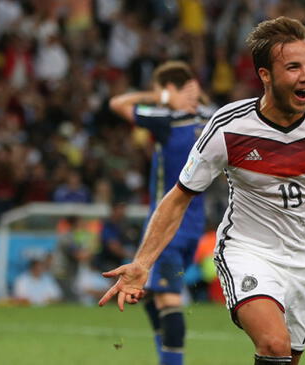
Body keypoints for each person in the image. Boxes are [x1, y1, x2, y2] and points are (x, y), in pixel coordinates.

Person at [99, 17, 305, 365]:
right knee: (274, 345)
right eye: (292, 67)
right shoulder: (228, 128)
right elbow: (178, 197)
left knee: (286, 358)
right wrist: (142, 263)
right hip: (248, 251)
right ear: (265, 75)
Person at [109, 60, 213, 365]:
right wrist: (197, 97)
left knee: (169, 303)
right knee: (150, 296)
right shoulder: (209, 119)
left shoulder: (167, 120)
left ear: (167, 90)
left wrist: (161, 99)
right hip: (194, 225)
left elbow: (117, 103)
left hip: (167, 226)